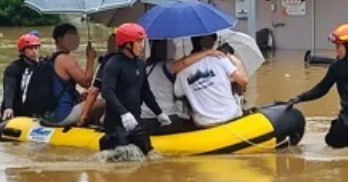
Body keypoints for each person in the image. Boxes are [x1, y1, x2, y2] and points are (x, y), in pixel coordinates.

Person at [283, 24, 348, 151]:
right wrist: (299, 98)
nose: (335, 50)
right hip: (347, 115)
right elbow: (322, 88)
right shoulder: (337, 67)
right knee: (333, 143)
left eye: (338, 46)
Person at [101, 23, 172, 154]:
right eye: (138, 42)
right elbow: (107, 91)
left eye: (142, 41)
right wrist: (123, 113)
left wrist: (159, 113)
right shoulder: (113, 64)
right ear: (127, 44)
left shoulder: (140, 64)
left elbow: (146, 91)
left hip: (136, 122)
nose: (142, 46)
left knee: (148, 156)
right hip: (116, 124)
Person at [173, 33, 248, 128]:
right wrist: (237, 62)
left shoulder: (181, 72)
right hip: (231, 115)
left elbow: (178, 93)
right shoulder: (221, 59)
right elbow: (243, 81)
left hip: (204, 123)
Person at [48, 23, 103, 126]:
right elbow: (86, 82)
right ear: (60, 40)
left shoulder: (49, 59)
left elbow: (58, 87)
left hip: (46, 116)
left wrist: (77, 96)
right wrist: (90, 59)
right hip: (62, 117)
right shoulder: (66, 59)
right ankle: (90, 125)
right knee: (103, 102)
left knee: (86, 97)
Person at [0, 33, 41, 122]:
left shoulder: (43, 65)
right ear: (22, 51)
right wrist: (8, 107)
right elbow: (9, 89)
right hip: (16, 108)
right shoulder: (13, 68)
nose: (34, 52)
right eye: (30, 48)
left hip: (34, 108)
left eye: (36, 48)